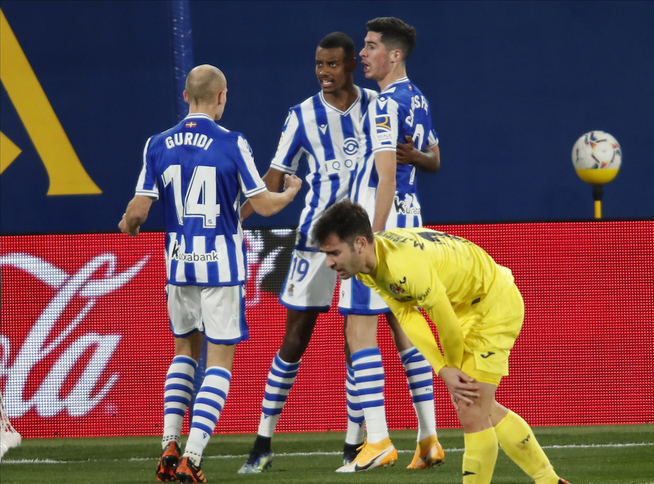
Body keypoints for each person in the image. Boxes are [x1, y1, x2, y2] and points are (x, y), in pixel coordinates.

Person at [237, 31, 439, 474]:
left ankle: (357, 442)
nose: (324, 73)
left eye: (332, 64)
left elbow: (423, 159)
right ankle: (262, 440)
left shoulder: (378, 102)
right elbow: (274, 175)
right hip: (316, 240)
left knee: (362, 334)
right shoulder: (303, 115)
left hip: (364, 238)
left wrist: (417, 161)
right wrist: (239, 216)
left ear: (350, 64)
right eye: (318, 65)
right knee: (296, 337)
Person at [119, 64, 301, 483]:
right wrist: (290, 191)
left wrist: (128, 225)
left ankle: (169, 442)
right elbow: (266, 205)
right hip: (221, 269)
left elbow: (137, 211)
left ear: (186, 97)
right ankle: (194, 458)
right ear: (221, 97)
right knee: (219, 362)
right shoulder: (233, 143)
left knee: (184, 353)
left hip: (179, 268)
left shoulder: (157, 144)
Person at [312, 199, 572, 484]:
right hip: (468, 304)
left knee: (470, 408)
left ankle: (544, 478)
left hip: (492, 303)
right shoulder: (370, 263)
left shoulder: (404, 265)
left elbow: (446, 324)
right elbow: (407, 315)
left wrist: (450, 369)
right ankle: (547, 479)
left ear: (360, 243)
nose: (329, 263)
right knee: (479, 404)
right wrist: (442, 369)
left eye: (334, 253)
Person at [336, 17, 443, 473]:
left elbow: (383, 177)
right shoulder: (418, 97)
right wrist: (415, 158)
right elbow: (434, 159)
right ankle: (429, 438)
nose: (362, 53)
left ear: (394, 55)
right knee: (405, 327)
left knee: (359, 328)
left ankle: (378, 439)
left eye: (371, 45)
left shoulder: (383, 105)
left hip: (384, 224)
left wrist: (369, 239)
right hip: (413, 222)